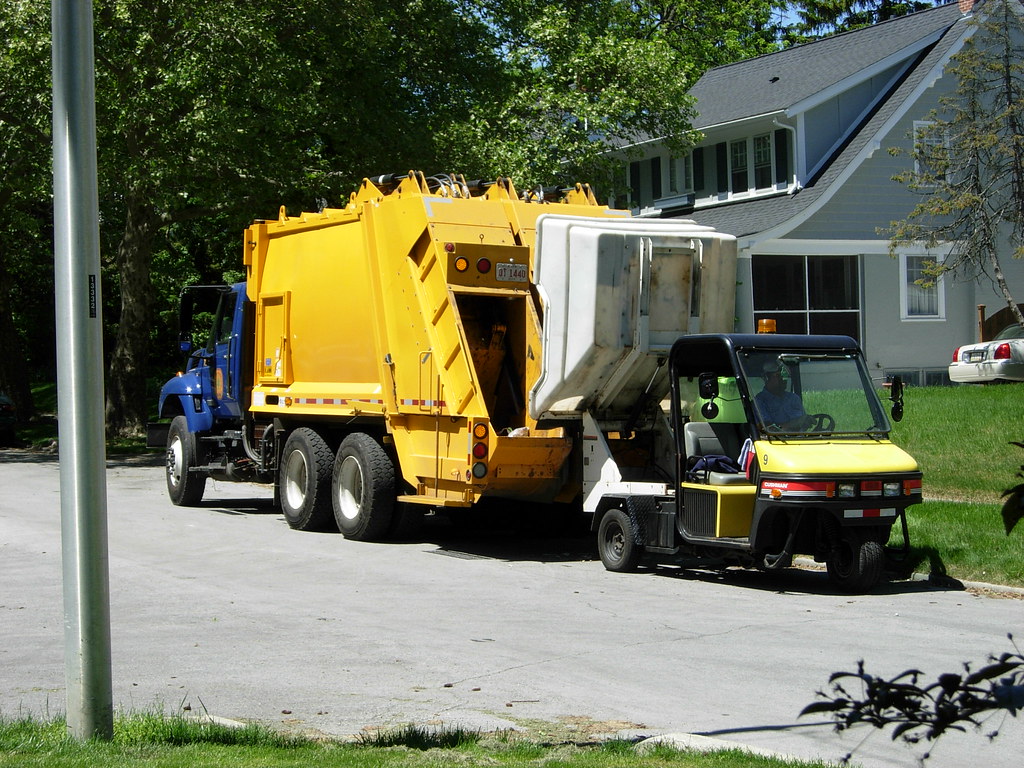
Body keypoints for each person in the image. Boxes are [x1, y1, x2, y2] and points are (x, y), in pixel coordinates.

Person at [754, 361, 812, 431]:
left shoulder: (794, 398)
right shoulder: (759, 401)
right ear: (766, 378)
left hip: (801, 437)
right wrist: (794, 423)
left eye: (785, 376)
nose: (784, 379)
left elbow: (802, 423)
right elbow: (767, 429)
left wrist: (807, 421)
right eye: (778, 376)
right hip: (776, 438)